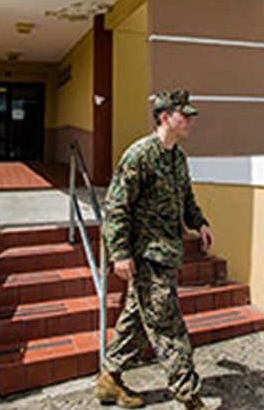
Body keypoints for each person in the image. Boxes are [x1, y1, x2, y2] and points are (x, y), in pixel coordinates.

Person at [96, 89, 214, 410]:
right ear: (165, 117)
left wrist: (199, 222)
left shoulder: (177, 156)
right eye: (184, 115)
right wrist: (119, 253)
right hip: (147, 255)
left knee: (137, 318)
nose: (189, 120)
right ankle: (189, 395)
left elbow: (186, 197)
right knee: (167, 326)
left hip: (167, 252)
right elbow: (117, 207)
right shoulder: (139, 155)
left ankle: (110, 378)